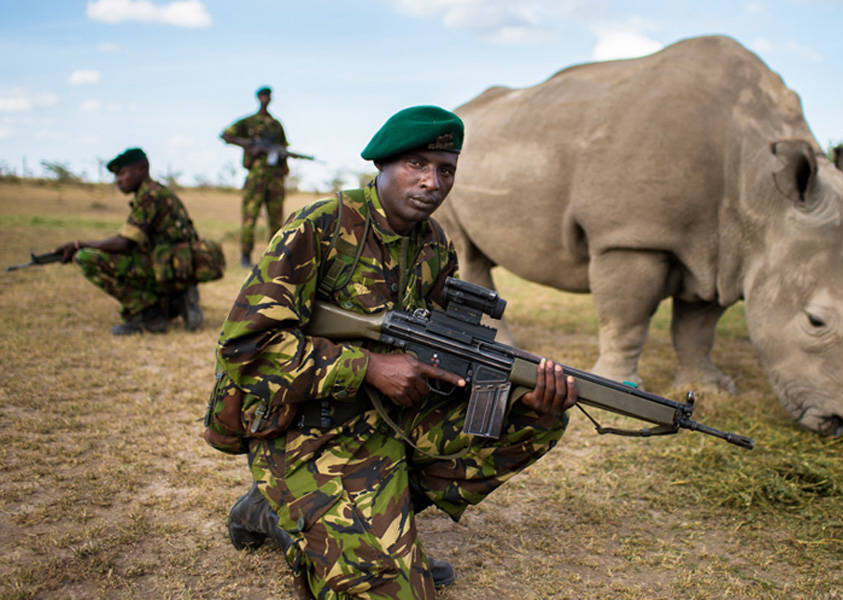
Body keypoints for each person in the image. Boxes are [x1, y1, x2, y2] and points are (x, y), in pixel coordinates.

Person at [215, 106, 576, 599]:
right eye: (416, 164)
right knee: (396, 592)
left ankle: (380, 520)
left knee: (536, 418)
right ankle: (285, 513)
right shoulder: (320, 227)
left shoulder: (434, 245)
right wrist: (367, 367)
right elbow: (245, 346)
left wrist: (516, 392)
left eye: (445, 169)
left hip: (386, 424)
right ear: (382, 164)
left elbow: (433, 349)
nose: (433, 182)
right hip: (305, 432)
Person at [54, 147, 206, 335]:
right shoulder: (159, 192)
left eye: (122, 173)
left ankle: (147, 314)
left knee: (85, 257)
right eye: (116, 175)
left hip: (166, 267)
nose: (118, 180)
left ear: (142, 168)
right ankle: (173, 301)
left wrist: (79, 245)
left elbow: (125, 243)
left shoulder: (150, 196)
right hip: (174, 266)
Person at [220, 85, 290, 268]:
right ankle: (245, 257)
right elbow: (226, 135)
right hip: (256, 177)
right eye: (263, 96)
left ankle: (274, 258)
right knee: (250, 217)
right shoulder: (249, 122)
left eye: (268, 96)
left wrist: (285, 164)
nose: (265, 99)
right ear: (258, 98)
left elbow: (284, 148)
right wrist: (249, 146)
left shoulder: (276, 125)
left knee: (276, 219)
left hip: (275, 179)